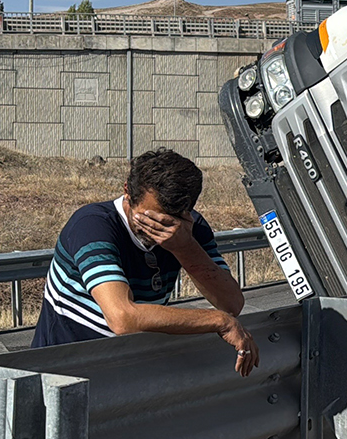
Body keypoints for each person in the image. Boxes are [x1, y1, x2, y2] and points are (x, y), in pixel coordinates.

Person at [31, 148, 259, 376]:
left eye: (170, 222)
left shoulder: (189, 229)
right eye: (150, 219)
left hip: (126, 370)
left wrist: (185, 247)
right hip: (63, 371)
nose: (159, 232)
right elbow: (122, 318)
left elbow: (231, 303)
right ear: (127, 192)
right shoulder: (92, 225)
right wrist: (219, 321)